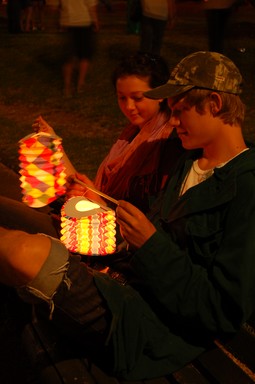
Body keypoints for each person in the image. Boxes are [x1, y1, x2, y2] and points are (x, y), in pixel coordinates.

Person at [0, 51, 255, 381]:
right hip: (119, 283)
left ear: (215, 104)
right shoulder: (189, 166)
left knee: (24, 252)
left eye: (180, 112)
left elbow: (221, 311)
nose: (172, 121)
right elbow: (148, 235)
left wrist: (149, 243)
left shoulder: (245, 188)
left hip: (145, 323)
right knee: (16, 241)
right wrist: (124, 231)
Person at [33, 52, 182, 214]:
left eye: (137, 98)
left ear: (159, 95)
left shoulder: (167, 142)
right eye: (122, 98)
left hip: (119, 233)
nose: (129, 106)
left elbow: (147, 216)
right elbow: (92, 192)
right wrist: (53, 145)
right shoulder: (129, 138)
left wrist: (99, 203)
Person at [58, 0, 99, 97]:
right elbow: (91, 6)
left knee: (69, 56)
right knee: (84, 55)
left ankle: (67, 86)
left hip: (68, 22)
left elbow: (55, 5)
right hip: (83, 22)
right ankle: (80, 84)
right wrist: (96, 21)